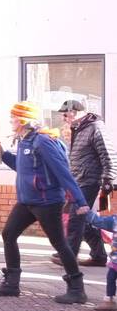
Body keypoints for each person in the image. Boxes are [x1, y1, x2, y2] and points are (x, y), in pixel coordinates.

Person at [0, 101, 90, 304]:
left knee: (59, 243)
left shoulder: (43, 141)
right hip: (27, 201)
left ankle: (77, 289)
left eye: (14, 117)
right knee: (9, 234)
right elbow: (25, 169)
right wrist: (5, 155)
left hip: (47, 202)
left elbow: (62, 172)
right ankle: (11, 284)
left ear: (24, 120)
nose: (11, 120)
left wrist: (79, 200)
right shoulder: (25, 140)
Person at [56, 99, 114, 268]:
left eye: (66, 114)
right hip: (79, 181)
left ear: (77, 112)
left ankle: (68, 255)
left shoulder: (96, 127)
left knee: (77, 216)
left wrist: (108, 182)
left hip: (93, 180)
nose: (64, 118)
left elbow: (108, 155)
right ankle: (98, 255)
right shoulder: (78, 129)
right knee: (84, 218)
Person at [79, 209, 117, 311]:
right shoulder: (115, 221)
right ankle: (109, 300)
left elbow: (98, 221)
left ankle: (109, 300)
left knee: (111, 277)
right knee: (110, 278)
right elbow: (98, 221)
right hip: (115, 261)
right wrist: (86, 212)